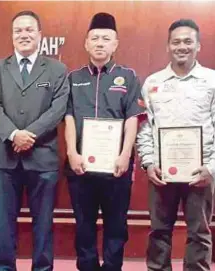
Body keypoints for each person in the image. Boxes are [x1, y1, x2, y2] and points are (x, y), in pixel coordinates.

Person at [0, 10, 69, 271]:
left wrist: (29, 134)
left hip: (43, 158)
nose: (24, 35)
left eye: (29, 30)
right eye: (18, 30)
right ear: (12, 36)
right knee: (4, 222)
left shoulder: (57, 69)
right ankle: (3, 268)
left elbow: (58, 109)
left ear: (40, 35)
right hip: (5, 157)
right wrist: (13, 135)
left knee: (43, 223)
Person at [64, 13, 144, 271]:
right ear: (86, 43)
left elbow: (132, 118)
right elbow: (69, 118)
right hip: (81, 167)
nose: (100, 43)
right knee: (84, 226)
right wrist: (72, 152)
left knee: (116, 227)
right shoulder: (74, 78)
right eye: (95, 38)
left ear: (115, 44)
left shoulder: (128, 77)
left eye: (106, 38)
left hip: (116, 168)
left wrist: (125, 155)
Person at [137, 19, 215, 271]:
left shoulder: (212, 81)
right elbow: (145, 128)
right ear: (168, 46)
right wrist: (148, 163)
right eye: (176, 41)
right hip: (162, 174)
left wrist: (211, 169)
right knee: (159, 233)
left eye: (188, 41)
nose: (182, 46)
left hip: (200, 174)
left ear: (198, 46)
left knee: (199, 234)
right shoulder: (152, 83)